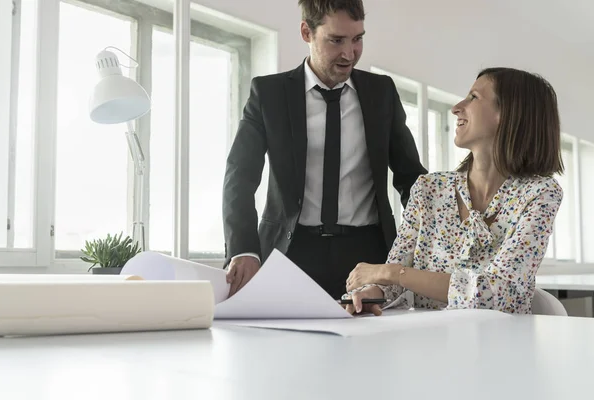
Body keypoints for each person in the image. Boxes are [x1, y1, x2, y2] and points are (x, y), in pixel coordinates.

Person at [222, 0, 427, 298]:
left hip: (368, 253)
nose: (349, 53)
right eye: (336, 40)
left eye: (357, 39)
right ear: (307, 32)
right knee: (282, 344)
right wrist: (244, 250)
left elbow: (410, 178)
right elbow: (239, 177)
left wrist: (430, 247)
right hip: (291, 250)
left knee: (372, 343)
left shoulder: (381, 93)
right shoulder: (269, 94)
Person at [342, 67, 564, 316]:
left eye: (473, 97)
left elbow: (500, 293)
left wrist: (392, 273)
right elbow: (393, 281)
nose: (457, 107)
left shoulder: (540, 194)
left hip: (501, 345)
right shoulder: (428, 189)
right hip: (429, 342)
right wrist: (374, 293)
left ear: (508, 113)